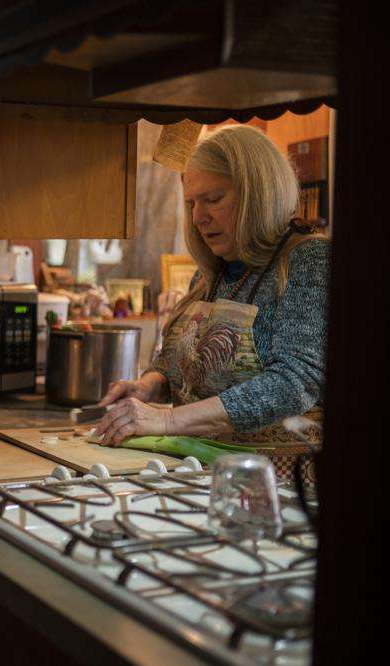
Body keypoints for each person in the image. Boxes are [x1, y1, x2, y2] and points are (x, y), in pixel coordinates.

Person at [95, 125, 330, 446]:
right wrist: (150, 385)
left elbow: (293, 383)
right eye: (191, 203)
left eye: (213, 199)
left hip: (272, 474)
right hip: (198, 463)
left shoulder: (307, 259)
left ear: (258, 195)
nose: (197, 218)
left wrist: (166, 419)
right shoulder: (210, 272)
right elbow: (185, 368)